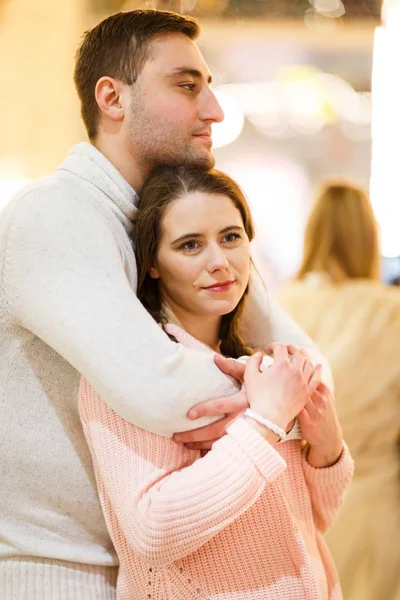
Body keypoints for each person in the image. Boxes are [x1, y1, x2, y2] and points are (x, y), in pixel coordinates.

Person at [0, 10, 331, 599]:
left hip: (152, 574)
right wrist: (273, 405)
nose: (215, 111)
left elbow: (307, 367)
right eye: (186, 86)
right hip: (55, 573)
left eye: (208, 85)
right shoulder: (53, 213)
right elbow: (164, 391)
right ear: (112, 98)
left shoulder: (163, 219)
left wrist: (285, 398)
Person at [79, 165, 353, 600]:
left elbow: (314, 520)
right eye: (190, 245)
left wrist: (329, 449)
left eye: (231, 237)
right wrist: (265, 422)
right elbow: (154, 533)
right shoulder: (130, 368)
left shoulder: (263, 365)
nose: (220, 262)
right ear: (151, 263)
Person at [276, 179, 400, 600]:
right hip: (373, 503)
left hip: (292, 512)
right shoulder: (391, 312)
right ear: (369, 238)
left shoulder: (274, 308)